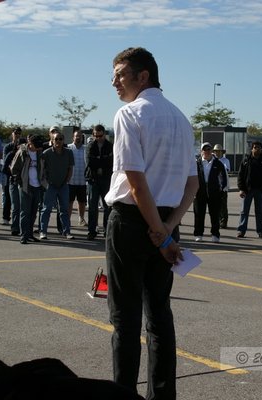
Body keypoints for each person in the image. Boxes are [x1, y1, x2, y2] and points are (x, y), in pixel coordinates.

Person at [105, 47, 198, 399]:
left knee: (125, 321)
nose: (114, 81)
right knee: (159, 317)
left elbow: (135, 181)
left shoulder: (130, 114)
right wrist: (167, 228)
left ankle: (123, 394)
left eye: (120, 74)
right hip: (165, 222)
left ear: (143, 76)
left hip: (131, 223)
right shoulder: (180, 118)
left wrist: (159, 231)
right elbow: (192, 184)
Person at [10, 134, 45, 244]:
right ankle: (23, 235)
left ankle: (30, 234)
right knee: (25, 212)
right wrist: (20, 182)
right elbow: (13, 168)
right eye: (37, 145)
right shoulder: (22, 153)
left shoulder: (40, 153)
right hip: (26, 186)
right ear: (30, 144)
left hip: (37, 185)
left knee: (33, 212)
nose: (39, 147)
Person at [39, 130, 74, 240]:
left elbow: (70, 168)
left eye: (60, 139)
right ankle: (43, 232)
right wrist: (46, 181)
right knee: (47, 209)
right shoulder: (47, 153)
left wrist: (67, 181)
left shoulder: (69, 152)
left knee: (64, 209)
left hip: (63, 185)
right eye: (56, 139)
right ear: (52, 141)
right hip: (51, 185)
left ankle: (67, 232)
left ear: (63, 140)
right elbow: (41, 168)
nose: (58, 141)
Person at [236, 141, 262, 239]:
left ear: (261, 149)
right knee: (244, 211)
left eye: (259, 147)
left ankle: (261, 232)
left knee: (259, 212)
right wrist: (241, 189)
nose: (257, 149)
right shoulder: (246, 160)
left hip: (260, 190)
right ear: (252, 148)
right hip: (247, 190)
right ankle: (241, 231)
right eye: (255, 147)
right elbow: (240, 175)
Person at [193, 142, 227, 243]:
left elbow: (223, 177)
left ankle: (215, 234)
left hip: (214, 192)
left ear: (211, 151)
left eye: (209, 149)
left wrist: (222, 190)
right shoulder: (196, 163)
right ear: (201, 151)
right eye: (205, 149)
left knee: (215, 215)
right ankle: (198, 234)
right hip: (199, 192)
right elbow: (191, 177)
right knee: (199, 214)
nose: (207, 151)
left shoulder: (218, 163)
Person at [86, 124, 113, 240]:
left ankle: (107, 230)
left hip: (106, 179)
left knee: (107, 206)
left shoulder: (110, 146)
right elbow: (89, 161)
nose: (98, 138)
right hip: (93, 179)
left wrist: (99, 161)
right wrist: (101, 162)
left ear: (104, 134)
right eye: (95, 136)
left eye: (100, 135)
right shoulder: (90, 146)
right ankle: (92, 231)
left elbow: (111, 161)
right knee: (92, 206)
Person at [2, 127, 25, 235]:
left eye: (19, 133)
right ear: (12, 134)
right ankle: (8, 219)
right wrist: (13, 152)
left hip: (23, 180)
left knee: (22, 205)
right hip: (11, 178)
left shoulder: (24, 148)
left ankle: (22, 226)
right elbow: (5, 164)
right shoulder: (8, 147)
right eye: (16, 133)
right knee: (9, 199)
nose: (17, 135)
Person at [67, 129, 88, 227]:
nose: (78, 137)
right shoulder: (68, 148)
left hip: (82, 181)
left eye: (80, 136)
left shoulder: (86, 148)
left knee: (82, 202)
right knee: (69, 201)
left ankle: (81, 218)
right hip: (71, 180)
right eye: (76, 136)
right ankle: (67, 220)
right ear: (73, 137)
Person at [212, 144, 230, 228]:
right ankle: (218, 221)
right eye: (216, 151)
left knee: (223, 205)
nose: (217, 153)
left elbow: (225, 170)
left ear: (222, 152)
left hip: (223, 186)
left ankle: (224, 221)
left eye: (219, 151)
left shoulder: (225, 160)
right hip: (215, 186)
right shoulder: (212, 160)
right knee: (215, 205)